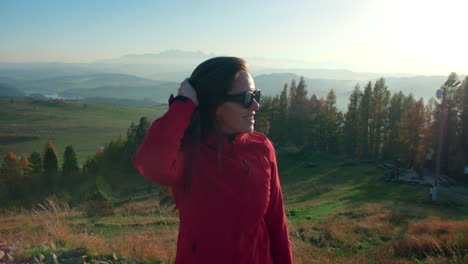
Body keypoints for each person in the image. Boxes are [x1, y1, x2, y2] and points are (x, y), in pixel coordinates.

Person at [132, 57, 293, 263]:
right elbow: (150, 164)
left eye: (256, 95)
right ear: (215, 104)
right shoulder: (189, 151)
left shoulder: (262, 147)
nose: (255, 105)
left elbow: (276, 221)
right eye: (246, 98)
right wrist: (184, 105)